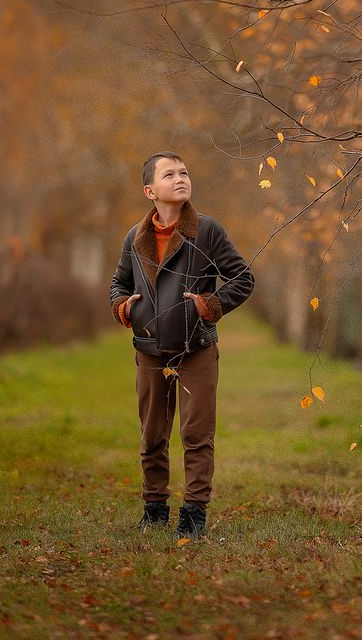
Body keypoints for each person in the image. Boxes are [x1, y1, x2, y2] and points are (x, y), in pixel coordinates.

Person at [110, 150, 254, 538]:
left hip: (197, 349)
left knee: (196, 434)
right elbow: (117, 284)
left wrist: (210, 305)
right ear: (150, 190)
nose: (180, 178)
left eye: (184, 172)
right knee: (153, 434)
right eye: (169, 174)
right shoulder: (134, 237)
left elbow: (243, 278)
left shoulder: (207, 231)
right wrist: (124, 307)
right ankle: (154, 508)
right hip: (150, 350)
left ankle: (194, 515)